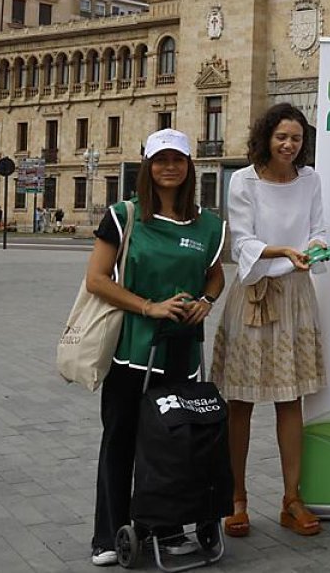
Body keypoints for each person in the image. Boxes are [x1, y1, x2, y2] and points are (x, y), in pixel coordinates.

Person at [85, 129, 226, 566]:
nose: (170, 167)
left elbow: (214, 273)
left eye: (178, 160)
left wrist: (206, 300)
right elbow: (97, 279)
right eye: (161, 159)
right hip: (132, 349)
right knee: (122, 438)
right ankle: (108, 535)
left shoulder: (207, 223)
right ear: (147, 164)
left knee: (173, 443)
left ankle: (166, 527)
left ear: (189, 166)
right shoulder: (124, 216)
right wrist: (149, 306)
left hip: (181, 352)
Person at [211, 103, 328, 540]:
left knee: (289, 398)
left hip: (296, 293)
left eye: (296, 138)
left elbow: (318, 228)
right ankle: (236, 498)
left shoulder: (311, 178)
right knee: (239, 401)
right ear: (267, 137)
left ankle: (290, 499)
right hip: (255, 293)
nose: (289, 145)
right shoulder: (243, 180)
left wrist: (316, 248)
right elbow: (243, 239)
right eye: (282, 137)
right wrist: (282, 252)